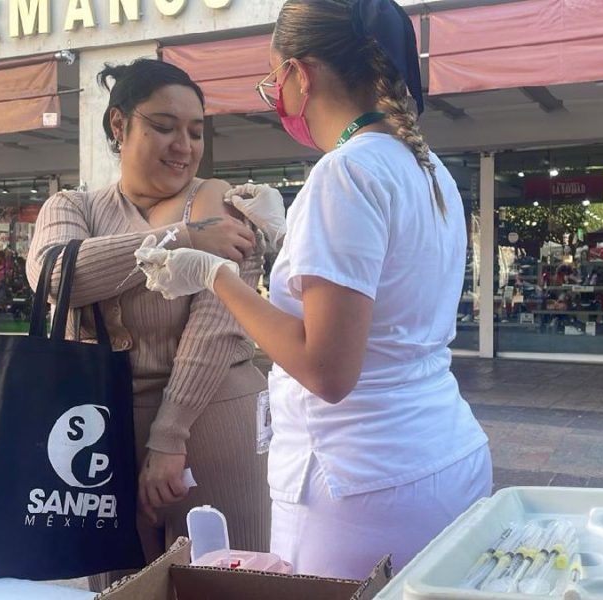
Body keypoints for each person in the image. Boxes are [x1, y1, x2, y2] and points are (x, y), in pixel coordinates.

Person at [136, 0, 492, 579]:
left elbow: (326, 370)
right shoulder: (428, 170)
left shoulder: (346, 173)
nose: (275, 95)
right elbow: (383, 311)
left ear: (301, 74)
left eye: (274, 78)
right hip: (439, 454)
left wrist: (212, 274)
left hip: (360, 483)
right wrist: (287, 241)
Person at [25, 59, 270, 589]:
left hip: (212, 420)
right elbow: (55, 275)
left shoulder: (226, 209)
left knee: (229, 579)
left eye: (196, 131)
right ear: (119, 125)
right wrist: (180, 242)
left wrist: (168, 435)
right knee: (120, 586)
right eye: (163, 126)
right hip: (100, 434)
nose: (183, 145)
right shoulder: (74, 206)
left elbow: (216, 328)